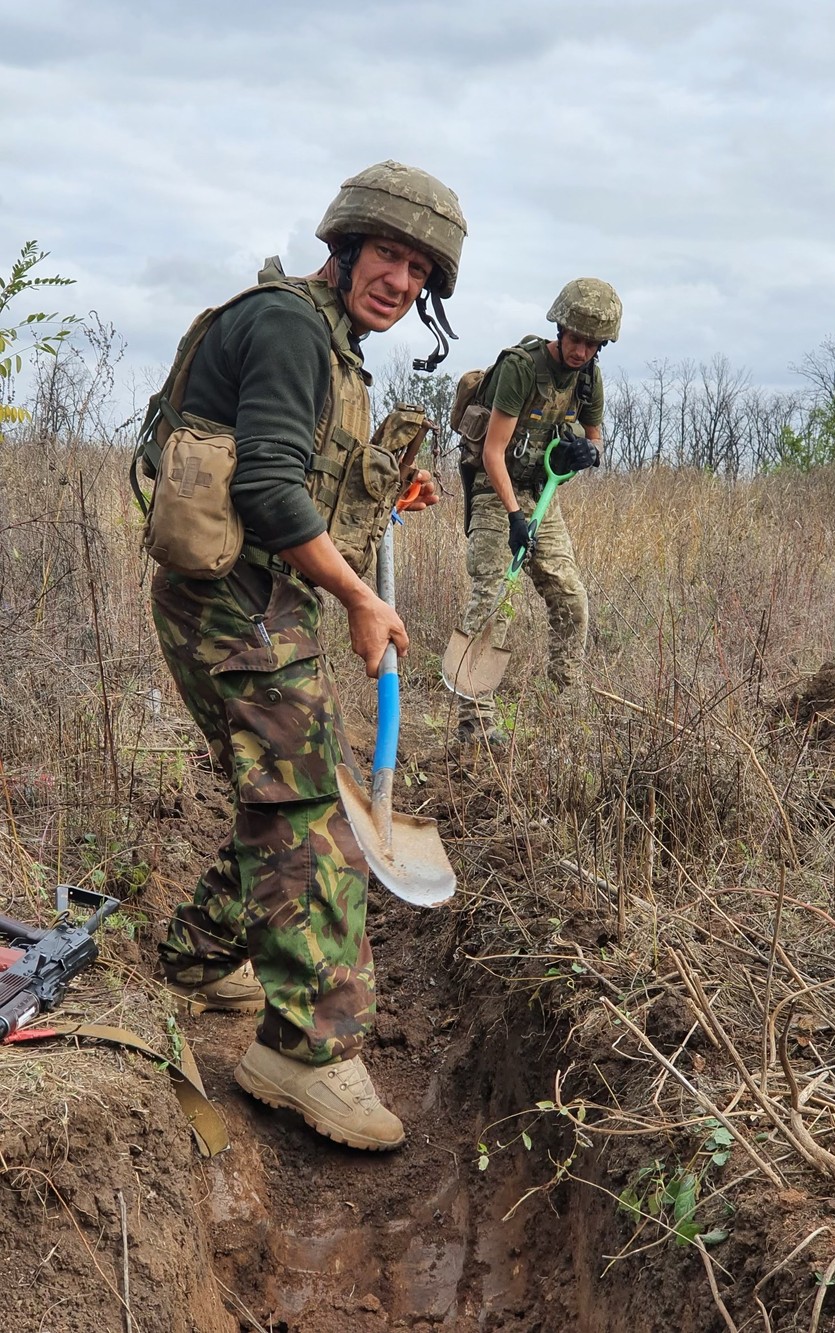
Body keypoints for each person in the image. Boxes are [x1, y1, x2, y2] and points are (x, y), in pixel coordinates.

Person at [149, 161, 466, 1151]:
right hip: (231, 602)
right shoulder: (292, 326)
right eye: (388, 254)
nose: (400, 279)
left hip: (258, 598)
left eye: (418, 269)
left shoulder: (337, 345)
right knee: (305, 813)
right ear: (347, 246)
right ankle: (304, 1051)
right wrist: (362, 595)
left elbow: (299, 474)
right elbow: (269, 492)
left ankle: (201, 956)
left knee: (277, 791)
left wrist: (383, 502)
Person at [452, 278, 622, 747]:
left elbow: (595, 441)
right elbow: (493, 452)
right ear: (561, 328)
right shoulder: (522, 368)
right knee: (493, 597)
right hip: (495, 490)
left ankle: (564, 705)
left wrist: (584, 456)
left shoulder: (589, 377)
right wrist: (512, 518)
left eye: (593, 344)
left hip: (544, 492)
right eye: (576, 339)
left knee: (571, 597)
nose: (581, 351)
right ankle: (475, 720)